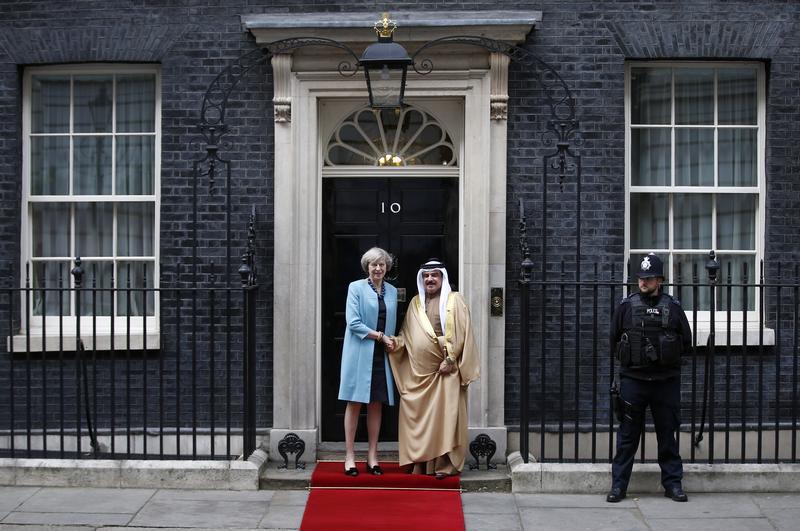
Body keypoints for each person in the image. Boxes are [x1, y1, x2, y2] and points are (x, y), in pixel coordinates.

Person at [606, 252, 692, 503]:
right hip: (634, 381)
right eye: (640, 278)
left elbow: (685, 341)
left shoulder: (673, 308)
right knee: (627, 437)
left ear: (660, 280)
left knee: (668, 436)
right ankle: (618, 486)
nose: (643, 282)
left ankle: (673, 485)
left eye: (649, 278)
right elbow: (613, 340)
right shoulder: (626, 307)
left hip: (666, 382)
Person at [388, 258, 480, 478]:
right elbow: (407, 336)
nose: (430, 279)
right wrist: (394, 343)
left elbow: (463, 333)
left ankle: (444, 466)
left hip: (446, 370)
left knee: (446, 419)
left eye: (434, 275)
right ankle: (420, 463)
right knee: (419, 419)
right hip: (419, 375)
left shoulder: (455, 300)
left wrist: (450, 359)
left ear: (442, 278)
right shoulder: (415, 303)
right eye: (426, 276)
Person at [338, 247, 398, 476]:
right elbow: (353, 322)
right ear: (367, 267)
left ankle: (373, 455)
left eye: (382, 264)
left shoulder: (391, 291)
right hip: (359, 353)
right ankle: (350, 455)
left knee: (376, 403)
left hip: (381, 355)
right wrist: (381, 336)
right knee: (354, 403)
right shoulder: (356, 288)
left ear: (387, 267)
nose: (378, 268)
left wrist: (390, 341)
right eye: (373, 264)